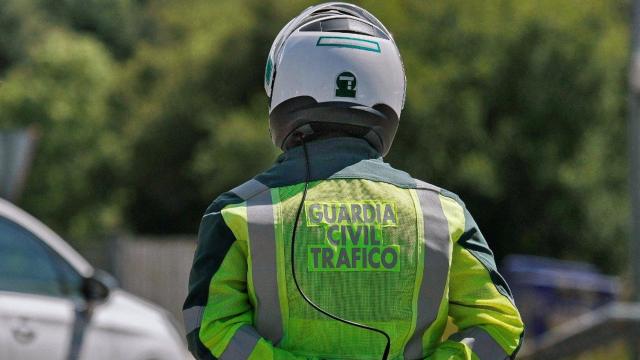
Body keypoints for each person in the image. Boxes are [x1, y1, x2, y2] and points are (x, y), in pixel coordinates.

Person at [183, 2, 524, 359]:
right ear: (393, 96)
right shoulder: (443, 213)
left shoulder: (237, 213)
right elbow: (500, 329)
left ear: (281, 88)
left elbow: (210, 331)